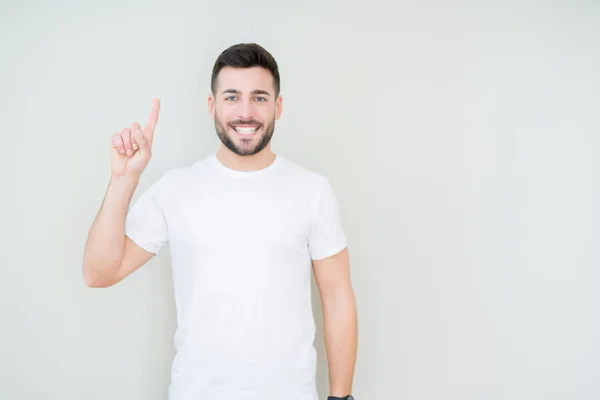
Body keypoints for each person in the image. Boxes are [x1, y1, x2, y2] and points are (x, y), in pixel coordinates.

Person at [82, 43, 358, 400]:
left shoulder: (312, 191)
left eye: (259, 98)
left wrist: (341, 397)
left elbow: (337, 298)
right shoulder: (175, 189)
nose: (246, 113)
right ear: (212, 105)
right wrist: (124, 179)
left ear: (279, 106)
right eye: (232, 97)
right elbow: (99, 273)